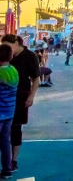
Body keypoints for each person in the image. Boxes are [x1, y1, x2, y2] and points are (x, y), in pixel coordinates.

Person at [1, 34, 40, 173]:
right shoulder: (4, 57)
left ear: (17, 43)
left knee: (15, 130)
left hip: (20, 98)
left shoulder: (30, 56)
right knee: (5, 134)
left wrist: (31, 96)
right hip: (4, 100)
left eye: (7, 46)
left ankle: (13, 160)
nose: (4, 49)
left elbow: (36, 78)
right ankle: (7, 163)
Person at [0, 44, 17, 179]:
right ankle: (7, 169)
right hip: (10, 111)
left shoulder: (0, 73)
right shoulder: (13, 71)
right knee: (5, 141)